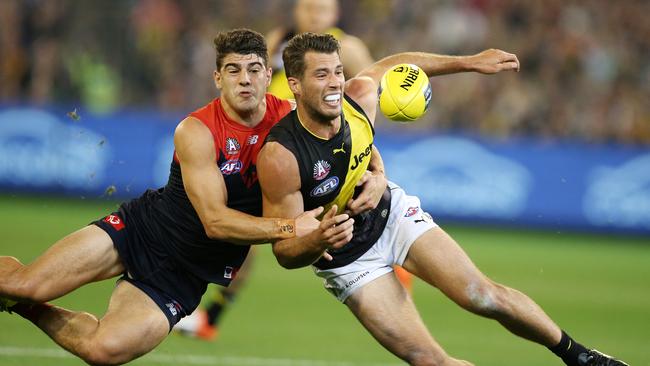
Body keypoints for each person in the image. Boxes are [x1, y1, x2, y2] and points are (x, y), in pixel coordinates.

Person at [256, 32, 629, 366]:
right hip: (347, 260)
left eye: (337, 71)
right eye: (322, 75)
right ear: (295, 85)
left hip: (391, 215)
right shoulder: (281, 156)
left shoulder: (360, 97)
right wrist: (318, 238)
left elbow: (397, 64)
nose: (336, 83)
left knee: (482, 296)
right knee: (430, 361)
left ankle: (581, 356)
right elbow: (285, 251)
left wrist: (468, 63)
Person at [0, 28, 332, 365]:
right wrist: (290, 227)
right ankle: (21, 296)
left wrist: (375, 173)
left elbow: (348, 135)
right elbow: (215, 222)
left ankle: (22, 307)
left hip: (185, 276)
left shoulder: (295, 121)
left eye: (254, 69)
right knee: (27, 284)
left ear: (268, 76)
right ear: (218, 78)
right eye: (234, 70)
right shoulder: (197, 131)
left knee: (104, 350)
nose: (244, 79)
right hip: (142, 232)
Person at [175, 0, 410, 341]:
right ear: (297, 10)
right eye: (309, 7)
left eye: (323, 8)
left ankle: (208, 315)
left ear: (335, 14)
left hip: (322, 152)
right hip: (276, 150)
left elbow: (363, 105)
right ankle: (207, 314)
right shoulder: (278, 41)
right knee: (243, 233)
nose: (315, 14)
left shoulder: (348, 49)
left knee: (317, 224)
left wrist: (375, 164)